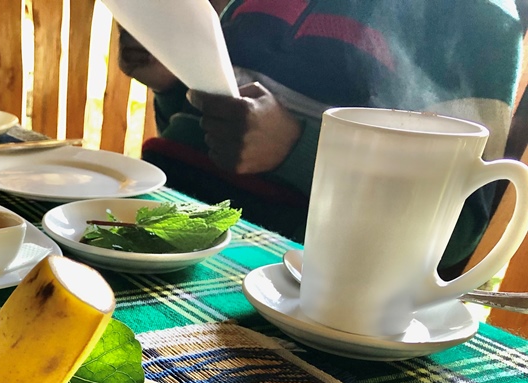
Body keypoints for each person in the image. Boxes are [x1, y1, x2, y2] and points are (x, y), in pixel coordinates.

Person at [118, 0, 525, 278]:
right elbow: (203, 131)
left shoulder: (473, 16)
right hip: (166, 215)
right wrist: (169, 85)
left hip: (289, 273)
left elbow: (456, 230)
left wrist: (296, 150)